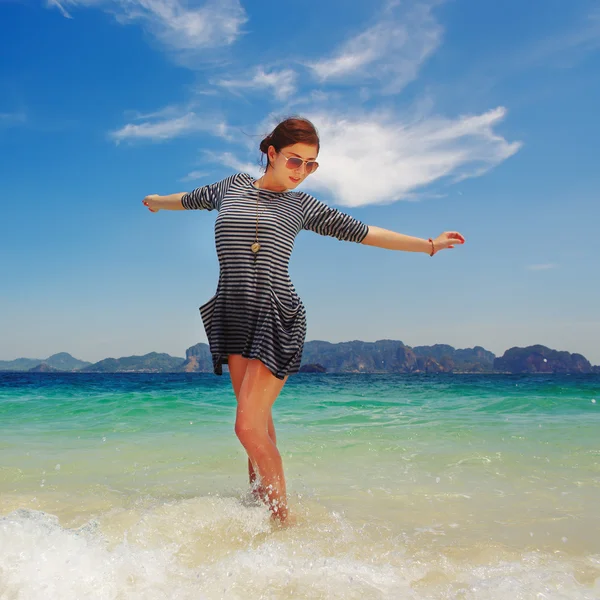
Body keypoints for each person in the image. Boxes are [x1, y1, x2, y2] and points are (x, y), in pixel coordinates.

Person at [142, 116, 465, 523]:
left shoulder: (302, 206)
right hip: (233, 312)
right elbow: (189, 198)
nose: (302, 172)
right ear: (272, 154)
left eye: (311, 165)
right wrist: (156, 200)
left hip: (276, 315)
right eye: (296, 161)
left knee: (246, 427)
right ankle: (256, 511)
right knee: (257, 426)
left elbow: (364, 231)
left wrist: (429, 246)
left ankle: (282, 522)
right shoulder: (231, 187)